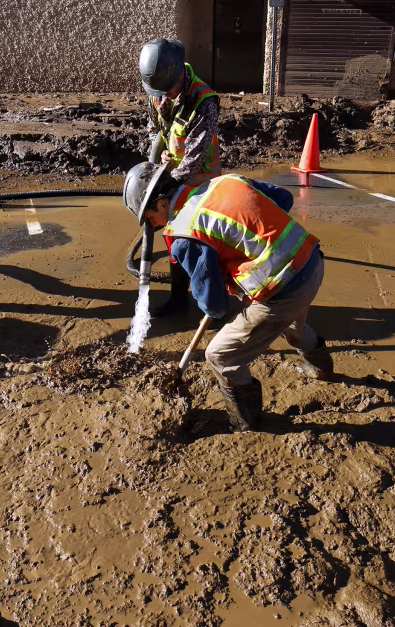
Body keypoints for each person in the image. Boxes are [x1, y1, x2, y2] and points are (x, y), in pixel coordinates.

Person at [123, 162, 335, 432]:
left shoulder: (185, 233)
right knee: (292, 324)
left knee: (221, 355)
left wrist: (230, 270)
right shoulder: (225, 182)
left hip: (284, 288)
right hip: (311, 261)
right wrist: (250, 243)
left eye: (149, 216)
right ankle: (322, 369)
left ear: (163, 203)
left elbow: (215, 306)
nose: (151, 225)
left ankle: (244, 421)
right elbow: (283, 198)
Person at [138, 37, 222, 317]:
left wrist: (166, 183)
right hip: (172, 172)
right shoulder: (158, 90)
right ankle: (178, 299)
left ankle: (213, 304)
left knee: (198, 242)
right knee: (173, 237)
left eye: (165, 90)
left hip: (200, 181)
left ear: (179, 75)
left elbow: (195, 156)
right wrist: (157, 158)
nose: (161, 96)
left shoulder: (204, 102)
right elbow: (156, 131)